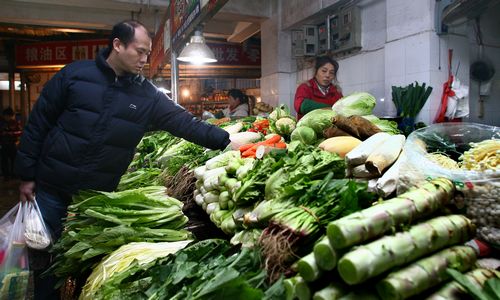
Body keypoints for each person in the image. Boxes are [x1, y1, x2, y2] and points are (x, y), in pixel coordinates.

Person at [14, 20, 230, 299]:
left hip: (95, 200)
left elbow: (184, 123)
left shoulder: (147, 95)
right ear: (117, 45)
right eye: (139, 52)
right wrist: (26, 176)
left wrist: (226, 141)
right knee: (43, 257)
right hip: (51, 187)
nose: (144, 59)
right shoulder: (74, 76)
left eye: (147, 53)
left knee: (80, 260)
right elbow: (38, 125)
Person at [0, 107, 22, 180]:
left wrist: (11, 133)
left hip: (12, 144)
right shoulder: (1, 123)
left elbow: (20, 132)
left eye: (10, 116)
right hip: (3, 144)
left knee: (14, 160)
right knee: (4, 160)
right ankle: (6, 175)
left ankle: (14, 174)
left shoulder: (14, 122)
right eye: (7, 116)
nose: (8, 117)